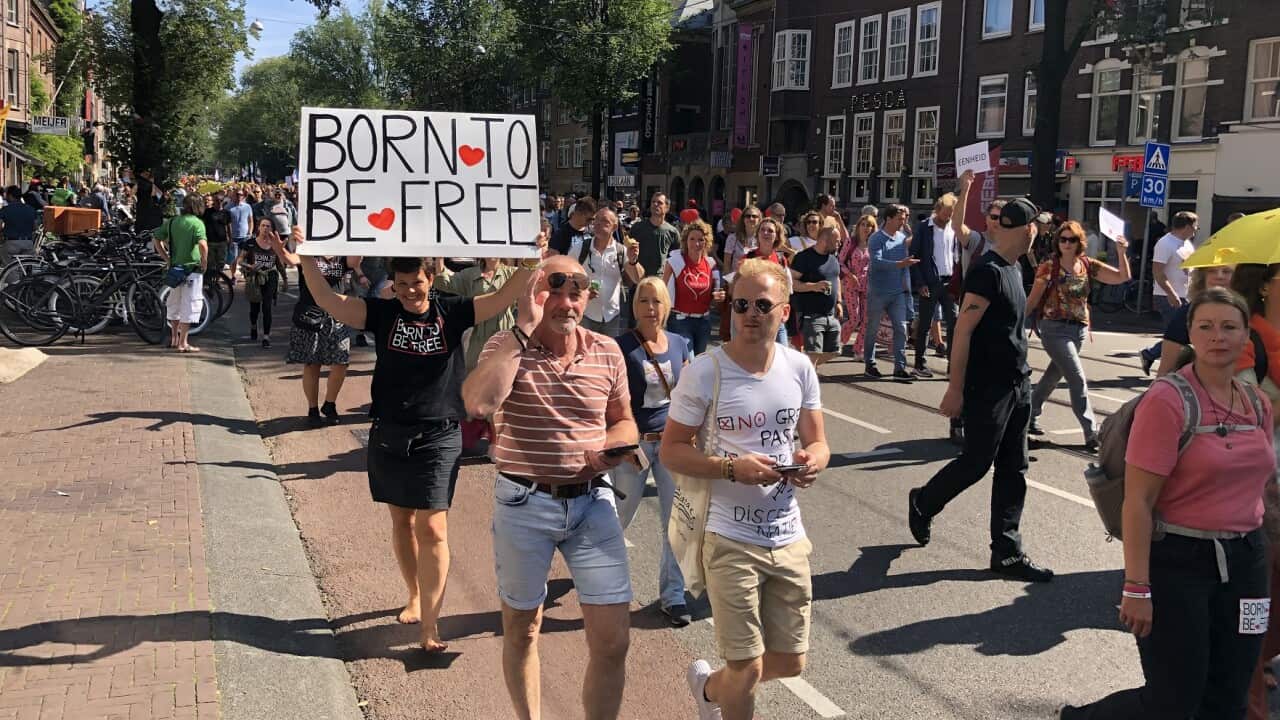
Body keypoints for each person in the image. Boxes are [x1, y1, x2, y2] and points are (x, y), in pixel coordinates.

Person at [287, 228, 535, 656]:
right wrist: (306, 256)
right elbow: (329, 301)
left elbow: (502, 299)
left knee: (433, 526)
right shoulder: (382, 314)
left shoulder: (453, 311)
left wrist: (531, 259)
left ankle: (430, 625)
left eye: (416, 283)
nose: (408, 292)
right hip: (389, 431)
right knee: (402, 523)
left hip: (439, 432)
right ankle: (415, 595)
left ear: (431, 276)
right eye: (400, 285)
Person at [1063, 287, 1276, 720]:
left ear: (1245, 339)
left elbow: (1261, 485)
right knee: (1173, 701)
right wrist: (1136, 587)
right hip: (1180, 561)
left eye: (1229, 327)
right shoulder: (1169, 399)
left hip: (1247, 562)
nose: (1218, 336)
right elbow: (1138, 502)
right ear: (1191, 336)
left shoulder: (1256, 403)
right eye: (1206, 327)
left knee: (1229, 695)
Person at [462, 254, 638, 720]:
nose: (565, 301)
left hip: (593, 502)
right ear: (533, 294)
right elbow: (478, 402)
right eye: (551, 289)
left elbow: (624, 423)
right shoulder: (506, 343)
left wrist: (613, 448)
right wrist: (522, 329)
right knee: (522, 628)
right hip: (524, 502)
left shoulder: (606, 350)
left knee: (613, 639)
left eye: (576, 289)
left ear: (588, 296)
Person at [661, 257, 831, 720]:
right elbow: (672, 451)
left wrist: (812, 460)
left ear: (785, 309)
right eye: (741, 304)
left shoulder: (799, 368)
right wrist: (731, 468)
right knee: (748, 666)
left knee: (790, 662)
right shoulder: (705, 371)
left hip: (787, 533)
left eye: (762, 304)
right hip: (728, 536)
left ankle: (709, 691)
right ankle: (726, 691)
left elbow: (817, 440)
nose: (751, 314)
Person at [907, 198, 1054, 583]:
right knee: (976, 463)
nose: (1040, 232)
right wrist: (955, 389)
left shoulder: (1016, 267)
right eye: (1037, 226)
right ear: (1025, 229)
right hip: (987, 387)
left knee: (1015, 467)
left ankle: (1006, 552)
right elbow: (963, 332)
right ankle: (924, 501)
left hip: (1018, 383)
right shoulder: (986, 272)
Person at [611, 277, 693, 627]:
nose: (650, 308)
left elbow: (689, 395)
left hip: (671, 445)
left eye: (657, 301)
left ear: (666, 306)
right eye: (643, 301)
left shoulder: (679, 343)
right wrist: (622, 441)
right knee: (618, 516)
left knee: (675, 523)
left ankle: (673, 595)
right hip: (636, 446)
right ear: (635, 306)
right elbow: (612, 400)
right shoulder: (622, 346)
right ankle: (602, 578)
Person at [1025, 220, 1132, 448]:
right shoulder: (1048, 266)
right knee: (1076, 377)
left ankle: (1028, 414)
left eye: (1071, 239)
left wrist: (1121, 253)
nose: (1066, 243)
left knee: (1053, 376)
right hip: (1053, 329)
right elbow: (1033, 300)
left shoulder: (1087, 264)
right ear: (1057, 242)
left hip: (1079, 330)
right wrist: (1015, 324)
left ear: (1078, 242)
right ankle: (1091, 432)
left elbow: (1122, 277)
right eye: (1062, 239)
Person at [945, 170, 1009, 446]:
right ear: (987, 219)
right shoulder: (978, 241)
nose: (997, 222)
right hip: (973, 313)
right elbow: (957, 226)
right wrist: (966, 189)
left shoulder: (1011, 247)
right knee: (967, 367)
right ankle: (957, 420)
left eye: (1002, 218)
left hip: (998, 319)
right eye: (993, 216)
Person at [271, 240, 362, 428]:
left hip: (337, 315)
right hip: (310, 315)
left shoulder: (342, 255)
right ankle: (312, 409)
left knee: (341, 362)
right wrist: (279, 248)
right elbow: (289, 259)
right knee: (313, 364)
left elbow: (355, 261)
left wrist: (360, 237)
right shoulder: (309, 254)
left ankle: (329, 404)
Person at [432, 254, 520, 370]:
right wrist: (439, 256)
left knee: (504, 377)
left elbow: (533, 275)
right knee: (474, 377)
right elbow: (444, 282)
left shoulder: (513, 273)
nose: (491, 251)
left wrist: (536, 251)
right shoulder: (470, 274)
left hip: (505, 335)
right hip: (478, 339)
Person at [863, 205, 920, 381]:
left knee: (901, 329)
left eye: (904, 219)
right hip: (878, 292)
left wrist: (907, 290)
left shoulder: (902, 238)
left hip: (897, 293)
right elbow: (877, 262)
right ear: (888, 219)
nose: (903, 222)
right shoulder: (876, 238)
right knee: (872, 329)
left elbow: (904, 269)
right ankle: (870, 364)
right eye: (900, 219)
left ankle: (900, 368)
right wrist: (899, 264)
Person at [1140, 212, 1200, 375]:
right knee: (1179, 335)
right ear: (1187, 227)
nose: (1196, 231)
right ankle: (1167, 369)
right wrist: (1171, 294)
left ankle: (1151, 354)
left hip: (1185, 295)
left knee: (1183, 333)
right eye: (1195, 227)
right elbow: (1158, 272)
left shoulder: (1187, 244)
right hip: (1167, 296)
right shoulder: (1165, 243)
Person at [908, 193, 960, 378]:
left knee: (954, 323)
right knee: (924, 324)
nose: (948, 216)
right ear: (938, 210)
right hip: (929, 282)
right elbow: (914, 256)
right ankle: (919, 364)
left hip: (949, 282)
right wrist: (920, 283)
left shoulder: (954, 228)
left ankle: (952, 366)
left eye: (952, 213)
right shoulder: (924, 228)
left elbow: (957, 254)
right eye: (946, 212)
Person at [571, 207, 643, 337]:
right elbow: (566, 274)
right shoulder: (581, 248)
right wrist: (582, 290)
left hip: (611, 316)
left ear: (614, 227)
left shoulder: (621, 251)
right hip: (585, 313)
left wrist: (633, 261)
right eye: (596, 220)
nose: (597, 224)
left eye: (604, 221)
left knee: (609, 354)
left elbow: (638, 278)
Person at [1155, 264, 1236, 377]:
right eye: (1212, 271)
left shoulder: (1246, 312)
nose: (1219, 276)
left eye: (1226, 271)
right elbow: (1165, 369)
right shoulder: (1186, 314)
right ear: (1202, 278)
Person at [153, 194, 209, 353]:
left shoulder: (172, 222)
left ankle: (174, 338)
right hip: (192, 270)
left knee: (174, 304)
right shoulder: (197, 224)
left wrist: (166, 258)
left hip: (175, 270)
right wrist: (204, 262)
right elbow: (203, 246)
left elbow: (156, 239)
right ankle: (183, 342)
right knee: (190, 305)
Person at [664, 219, 724, 355]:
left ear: (706, 242)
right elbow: (662, 291)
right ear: (685, 241)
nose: (696, 243)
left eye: (701, 240)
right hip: (680, 321)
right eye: (692, 239)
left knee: (699, 362)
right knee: (688, 361)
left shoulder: (711, 264)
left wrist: (718, 297)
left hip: (703, 322)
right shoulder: (675, 262)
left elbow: (715, 297)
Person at [790, 221, 845, 355]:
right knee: (813, 353)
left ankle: (807, 370)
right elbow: (791, 282)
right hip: (811, 315)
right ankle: (808, 373)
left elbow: (836, 278)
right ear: (825, 239)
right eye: (837, 241)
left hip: (831, 315)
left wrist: (838, 302)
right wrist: (813, 286)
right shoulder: (803, 257)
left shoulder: (833, 258)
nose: (839, 244)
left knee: (834, 352)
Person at [741, 217, 792, 344]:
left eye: (770, 231)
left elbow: (786, 288)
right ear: (757, 234)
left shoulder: (781, 259)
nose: (766, 233)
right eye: (762, 230)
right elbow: (740, 286)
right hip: (754, 316)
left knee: (782, 356)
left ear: (777, 236)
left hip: (775, 315)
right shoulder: (748, 258)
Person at [839, 213, 874, 355]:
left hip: (867, 285)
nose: (866, 228)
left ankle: (858, 349)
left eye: (869, 225)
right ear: (858, 226)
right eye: (863, 225)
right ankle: (840, 340)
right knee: (855, 318)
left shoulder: (873, 244)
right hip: (851, 284)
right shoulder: (850, 242)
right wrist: (849, 274)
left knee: (866, 320)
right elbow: (840, 262)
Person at [630, 192, 679, 279]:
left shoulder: (673, 232)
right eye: (653, 202)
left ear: (667, 208)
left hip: (660, 282)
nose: (655, 204)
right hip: (639, 280)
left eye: (659, 202)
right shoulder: (637, 228)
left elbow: (676, 259)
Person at [0, 185, 38, 265]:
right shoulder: (31, 209)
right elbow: (35, 227)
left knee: (10, 269)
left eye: (6, 194)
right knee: (25, 268)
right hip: (28, 244)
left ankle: (14, 277)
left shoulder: (5, 210)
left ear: (10, 195)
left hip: (11, 244)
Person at [201, 194, 232, 280]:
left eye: (221, 201)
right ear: (213, 201)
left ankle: (217, 280)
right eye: (217, 201)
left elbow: (229, 227)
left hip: (222, 242)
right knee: (211, 263)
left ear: (223, 202)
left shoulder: (227, 213)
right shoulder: (207, 212)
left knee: (221, 263)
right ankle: (210, 280)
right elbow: (202, 224)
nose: (219, 202)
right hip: (210, 241)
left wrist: (231, 239)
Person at [226, 189, 254, 269]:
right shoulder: (228, 207)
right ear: (233, 195)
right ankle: (233, 276)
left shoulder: (247, 206)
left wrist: (250, 232)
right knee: (234, 258)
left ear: (243, 196)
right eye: (237, 194)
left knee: (244, 258)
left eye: (241, 195)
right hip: (233, 237)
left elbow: (250, 220)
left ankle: (245, 274)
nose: (239, 196)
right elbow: (226, 223)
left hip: (245, 237)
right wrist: (228, 236)